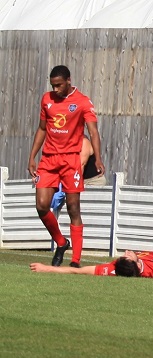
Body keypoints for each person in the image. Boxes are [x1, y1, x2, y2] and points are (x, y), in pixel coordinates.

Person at [28, 65, 104, 268]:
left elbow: (93, 132)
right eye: (52, 86)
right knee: (42, 206)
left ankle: (75, 260)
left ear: (69, 81)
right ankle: (61, 242)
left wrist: (97, 157)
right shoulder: (47, 99)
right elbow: (42, 129)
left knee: (73, 207)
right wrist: (32, 156)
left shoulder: (82, 102)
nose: (55, 90)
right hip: (49, 160)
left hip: (71, 160)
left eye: (58, 85)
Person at [51, 136, 106, 214]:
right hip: (76, 179)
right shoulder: (65, 143)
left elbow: (80, 167)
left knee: (85, 212)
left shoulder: (84, 142)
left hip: (93, 182)